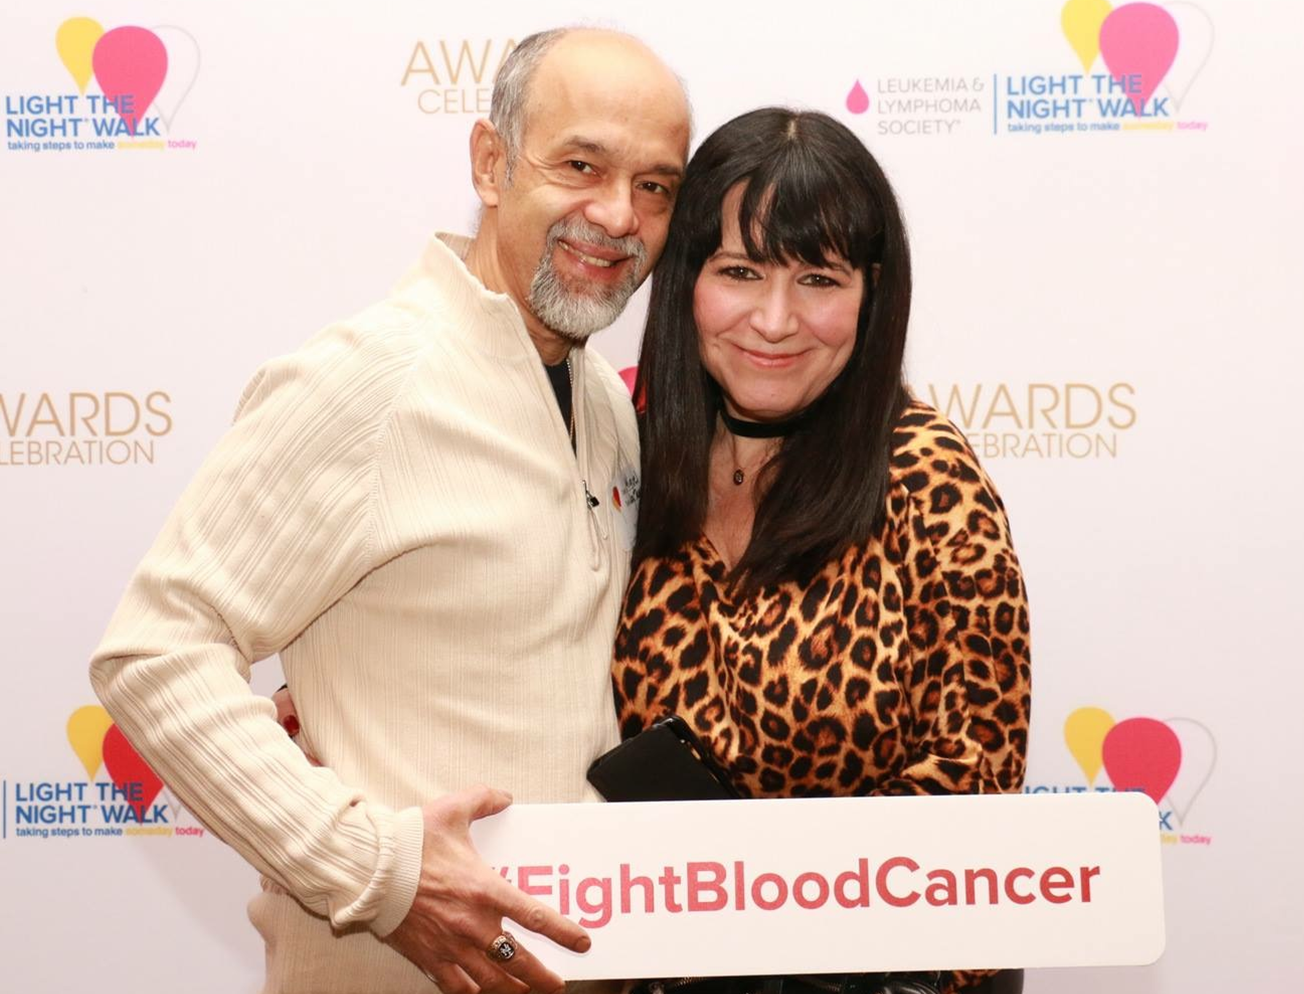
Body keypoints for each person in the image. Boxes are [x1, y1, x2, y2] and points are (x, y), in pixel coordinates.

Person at [89, 28, 691, 994]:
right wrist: (380, 874)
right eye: (581, 165)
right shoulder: (370, 379)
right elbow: (154, 651)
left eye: (656, 187)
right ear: (491, 163)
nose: (618, 215)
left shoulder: (606, 405)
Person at [611, 109, 1031, 994]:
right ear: (686, 279)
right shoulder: (619, 460)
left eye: (818, 278)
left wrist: (768, 939)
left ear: (872, 293)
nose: (775, 319)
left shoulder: (928, 480)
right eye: (740, 272)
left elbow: (975, 787)